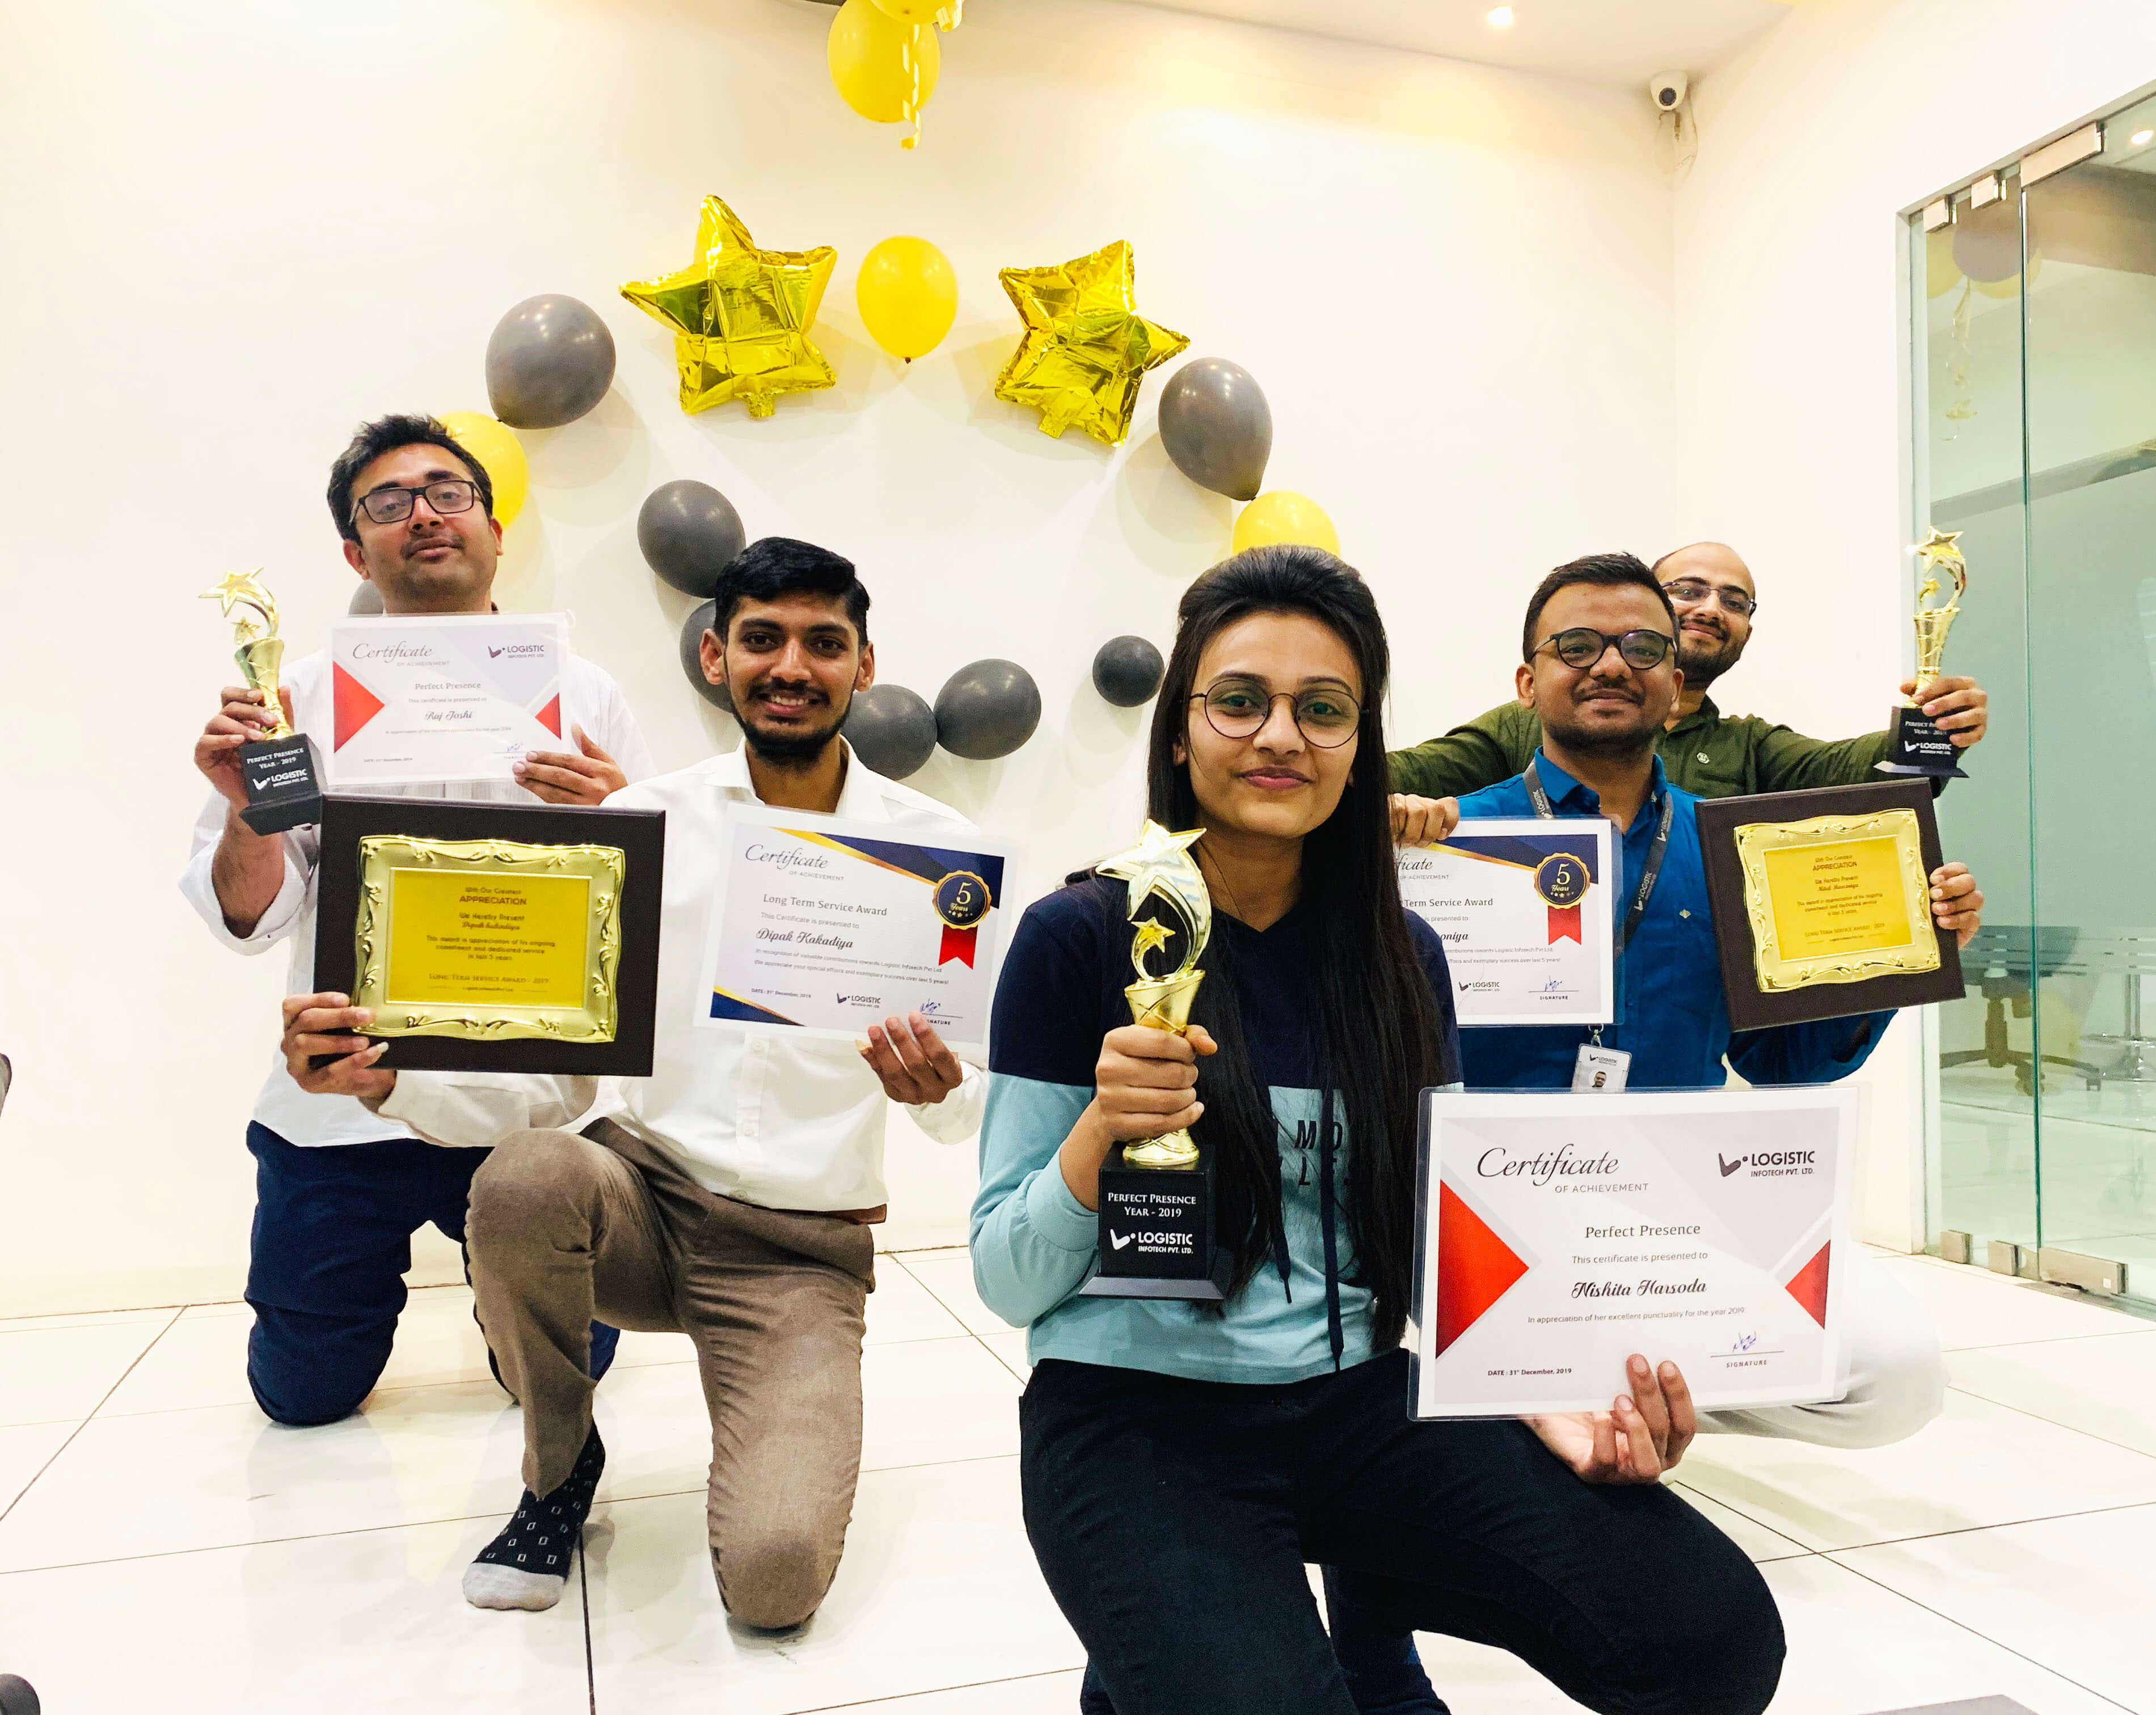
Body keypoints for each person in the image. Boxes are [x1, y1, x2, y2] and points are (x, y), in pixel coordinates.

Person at [973, 544, 1791, 1715]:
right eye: (1239, 701)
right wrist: (1099, 1137)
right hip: (1136, 1418)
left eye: (1324, 709)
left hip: (1357, 1401)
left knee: (1709, 1637)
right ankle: (1167, 1632)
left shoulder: (1404, 956)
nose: (1280, 737)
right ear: (1180, 731)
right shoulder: (1081, 937)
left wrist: (1548, 1392)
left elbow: (1433, 1241)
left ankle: (1196, 1645)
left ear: (1361, 746)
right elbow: (1006, 1276)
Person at [280, 538, 983, 1625]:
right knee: (525, 1175)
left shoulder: (940, 857)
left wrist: (935, 1087)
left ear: (864, 663)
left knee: (774, 1583)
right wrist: (384, 1077)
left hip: (799, 1252)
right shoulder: (641, 824)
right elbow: (551, 1084)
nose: (791, 666)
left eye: (824, 642)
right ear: (716, 656)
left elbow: (978, 1096)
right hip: (638, 1202)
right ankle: (559, 1463)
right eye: (762, 638)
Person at [1340, 550, 1981, 1715]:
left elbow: (1786, 1061)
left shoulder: (1739, 852)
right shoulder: (1445, 840)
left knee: (1898, 1371)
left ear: (1675, 683)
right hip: (1481, 1232)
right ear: (1527, 680)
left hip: (1664, 1220)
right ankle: (1388, 1599)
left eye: (1642, 647)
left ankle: (1586, 1385)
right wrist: (1370, 852)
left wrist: (1903, 952)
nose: (1611, 665)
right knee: (1359, 1344)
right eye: (1577, 645)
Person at [182, 413, 650, 1429]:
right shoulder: (293, 701)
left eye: (449, 492)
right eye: (388, 503)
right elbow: (251, 915)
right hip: (342, 1094)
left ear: (494, 529)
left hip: (525, 1096)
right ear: (357, 552)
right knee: (303, 1395)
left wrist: (620, 820)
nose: (425, 515)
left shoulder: (586, 694)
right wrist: (245, 806)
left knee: (554, 1373)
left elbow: (647, 910)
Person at [1387, 539, 1989, 838]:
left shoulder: (1752, 749)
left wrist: (1936, 726)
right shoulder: (1528, 724)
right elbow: (1398, 775)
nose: (1710, 608)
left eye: (1734, 601)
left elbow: (1862, 776)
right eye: (1689, 590)